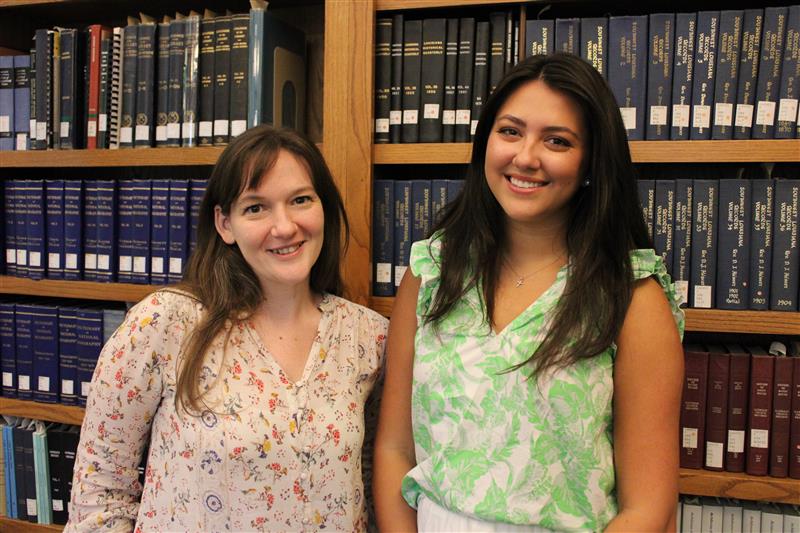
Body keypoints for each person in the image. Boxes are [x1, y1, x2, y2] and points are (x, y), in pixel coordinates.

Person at [374, 53, 685, 532]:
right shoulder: (431, 271)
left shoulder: (631, 297)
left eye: (557, 141)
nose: (525, 157)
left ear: (590, 164)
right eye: (510, 131)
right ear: (486, 143)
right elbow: (395, 448)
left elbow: (648, 508)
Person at [65, 125, 388, 532]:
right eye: (256, 207)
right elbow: (101, 490)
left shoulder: (368, 338)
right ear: (224, 223)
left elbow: (376, 487)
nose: (285, 226)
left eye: (301, 200)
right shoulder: (165, 323)